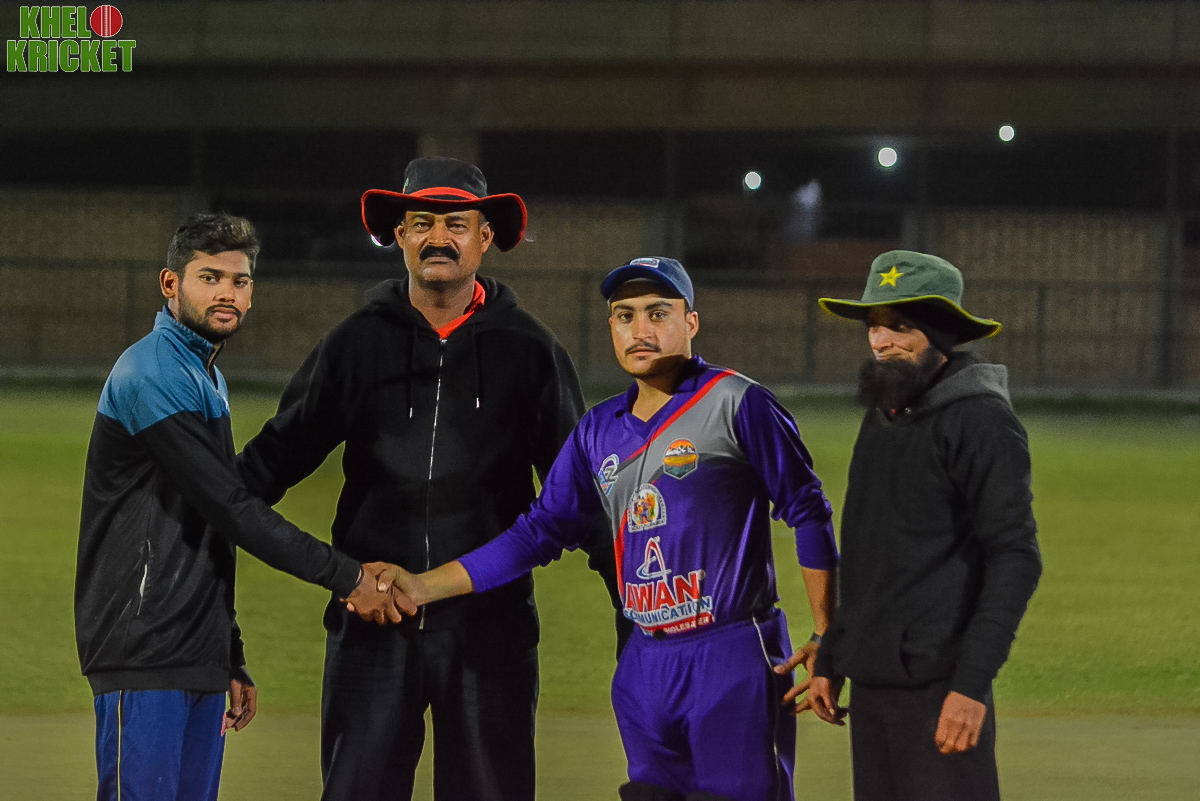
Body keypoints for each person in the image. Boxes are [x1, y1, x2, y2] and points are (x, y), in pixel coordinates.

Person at [381, 256, 841, 801]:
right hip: (644, 662)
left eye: (657, 313)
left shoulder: (738, 403)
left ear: (690, 322)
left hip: (730, 651)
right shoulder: (597, 430)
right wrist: (422, 586)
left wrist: (826, 633)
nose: (640, 329)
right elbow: (538, 532)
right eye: (625, 315)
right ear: (611, 328)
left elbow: (808, 510)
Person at [237, 157, 623, 801]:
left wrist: (638, 613)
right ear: (399, 235)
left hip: (491, 631)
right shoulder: (354, 343)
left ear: (485, 237)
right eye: (421, 222)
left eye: (456, 224)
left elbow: (582, 498)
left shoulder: (530, 350)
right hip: (372, 625)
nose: (437, 237)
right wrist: (186, 514)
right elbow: (266, 466)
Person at [74, 213, 407, 801]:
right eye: (210, 278)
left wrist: (225, 653)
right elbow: (231, 508)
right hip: (143, 645)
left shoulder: (204, 375)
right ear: (170, 284)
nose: (227, 292)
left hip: (189, 647)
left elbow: (203, 525)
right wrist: (349, 576)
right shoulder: (151, 372)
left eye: (240, 280)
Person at [808, 250, 1043, 801]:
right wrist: (834, 652)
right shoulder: (885, 412)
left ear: (940, 333)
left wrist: (971, 686)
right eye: (873, 326)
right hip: (873, 684)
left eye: (900, 326)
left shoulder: (982, 420)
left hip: (940, 689)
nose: (881, 341)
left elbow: (1015, 557)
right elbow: (869, 554)